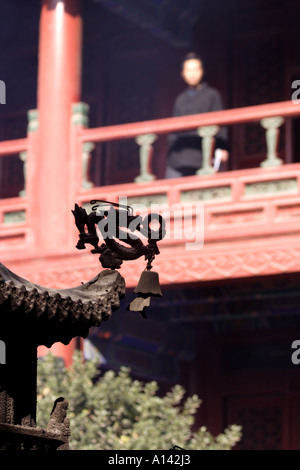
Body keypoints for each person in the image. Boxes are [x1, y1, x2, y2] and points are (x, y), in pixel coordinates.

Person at [165, 52, 229, 178]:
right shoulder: (180, 99)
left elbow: (221, 123)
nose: (192, 74)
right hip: (181, 154)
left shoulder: (212, 95)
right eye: (189, 70)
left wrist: (223, 147)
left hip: (204, 152)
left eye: (196, 69)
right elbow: (174, 128)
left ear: (202, 71)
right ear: (182, 73)